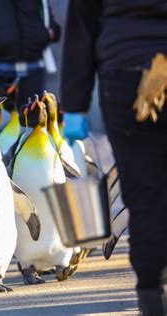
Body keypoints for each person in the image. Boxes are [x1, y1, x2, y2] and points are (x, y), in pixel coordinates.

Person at [60, 1, 167, 315]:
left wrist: (74, 105)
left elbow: (81, 25)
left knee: (144, 198)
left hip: (126, 76)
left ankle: (153, 299)